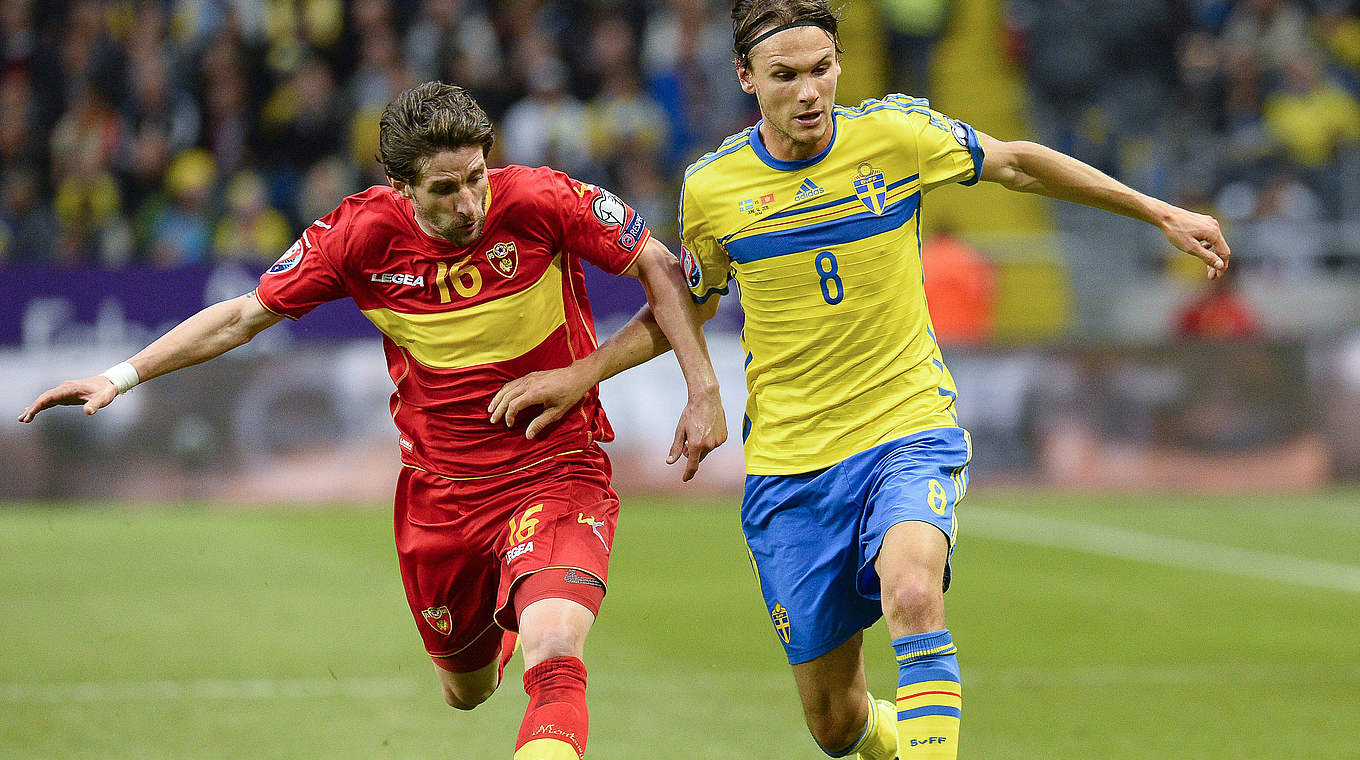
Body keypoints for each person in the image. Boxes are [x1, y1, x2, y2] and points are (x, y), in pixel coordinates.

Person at [492, 2, 1232, 758]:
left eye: (822, 70)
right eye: (785, 76)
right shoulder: (713, 190)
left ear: (840, 63)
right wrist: (585, 375)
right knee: (835, 723)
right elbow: (683, 307)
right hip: (792, 466)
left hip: (904, 427)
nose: (809, 92)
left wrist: (1154, 208)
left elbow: (1013, 161)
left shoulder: (897, 135)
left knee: (914, 591)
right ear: (747, 78)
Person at [18, 81, 726, 760]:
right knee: (467, 689)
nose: (470, 202)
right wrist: (119, 376)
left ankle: (531, 592)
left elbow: (665, 271)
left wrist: (666, 384)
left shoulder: (542, 199)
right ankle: (507, 600)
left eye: (476, 177)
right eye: (445, 190)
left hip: (555, 467)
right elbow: (240, 317)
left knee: (555, 650)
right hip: (442, 496)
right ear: (402, 189)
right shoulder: (358, 237)